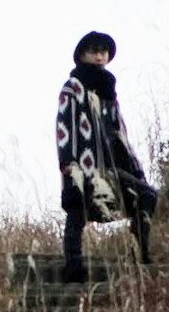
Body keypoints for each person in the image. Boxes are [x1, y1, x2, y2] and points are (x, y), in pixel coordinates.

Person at [55, 30, 155, 281]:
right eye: (94, 51)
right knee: (78, 211)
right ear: (82, 55)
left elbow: (120, 132)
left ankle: (140, 254)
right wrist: (68, 161)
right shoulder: (73, 87)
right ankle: (73, 268)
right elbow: (64, 125)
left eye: (103, 51)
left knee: (146, 196)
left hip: (111, 167)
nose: (100, 56)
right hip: (83, 164)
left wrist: (135, 168)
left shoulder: (109, 92)